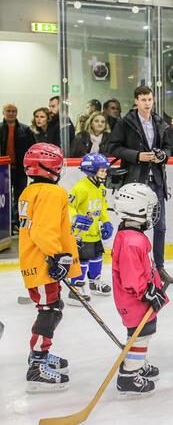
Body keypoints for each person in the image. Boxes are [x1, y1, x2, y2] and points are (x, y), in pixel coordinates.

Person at [19, 143, 81, 391]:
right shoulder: (52, 193)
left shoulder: (29, 191)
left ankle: (39, 354)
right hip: (44, 263)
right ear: (48, 167)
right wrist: (58, 256)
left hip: (35, 261)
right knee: (50, 310)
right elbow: (45, 231)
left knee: (52, 306)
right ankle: (37, 364)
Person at [108, 85, 173, 284]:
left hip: (156, 180)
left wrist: (162, 156)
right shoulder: (125, 123)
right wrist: (137, 156)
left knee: (160, 226)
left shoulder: (158, 121)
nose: (147, 103)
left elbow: (167, 148)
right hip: (135, 181)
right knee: (134, 226)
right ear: (136, 101)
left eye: (150, 99)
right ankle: (135, 266)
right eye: (143, 100)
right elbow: (113, 147)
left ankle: (160, 268)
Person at [112, 182, 167, 395]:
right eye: (151, 208)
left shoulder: (131, 235)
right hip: (135, 301)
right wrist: (147, 292)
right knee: (141, 334)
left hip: (138, 299)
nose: (154, 213)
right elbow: (131, 277)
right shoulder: (131, 242)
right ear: (139, 210)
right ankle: (128, 377)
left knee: (141, 334)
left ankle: (135, 361)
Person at [66, 153, 114, 306]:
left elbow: (103, 208)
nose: (105, 173)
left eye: (105, 170)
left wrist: (107, 222)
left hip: (94, 233)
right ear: (92, 170)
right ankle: (76, 287)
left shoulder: (101, 188)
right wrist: (74, 218)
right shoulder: (80, 188)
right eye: (102, 170)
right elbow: (68, 206)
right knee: (82, 259)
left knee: (97, 257)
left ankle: (94, 282)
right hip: (81, 234)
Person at [2, 103, 36, 233]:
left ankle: (17, 222)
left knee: (20, 196)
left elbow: (31, 148)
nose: (11, 113)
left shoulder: (25, 130)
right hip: (3, 169)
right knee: (4, 196)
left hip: (20, 169)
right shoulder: (0, 129)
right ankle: (7, 223)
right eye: (8, 111)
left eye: (13, 111)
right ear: (3, 113)